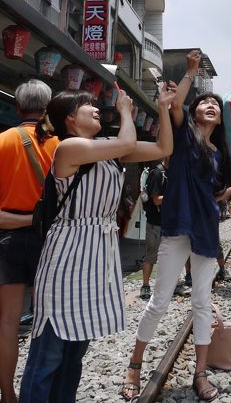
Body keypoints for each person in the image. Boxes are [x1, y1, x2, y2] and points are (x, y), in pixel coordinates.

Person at [19, 82, 176, 403]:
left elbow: (163, 149)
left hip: (97, 257)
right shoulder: (69, 148)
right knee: (48, 354)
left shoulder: (110, 147)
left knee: (75, 353)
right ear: (70, 120)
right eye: (86, 105)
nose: (95, 108)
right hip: (66, 256)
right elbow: (129, 141)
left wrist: (162, 107)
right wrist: (124, 111)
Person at [122, 50, 231, 402]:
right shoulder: (183, 137)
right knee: (160, 300)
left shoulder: (219, 153)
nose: (211, 105)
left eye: (216, 103)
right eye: (205, 102)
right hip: (178, 226)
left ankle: (200, 373)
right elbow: (174, 105)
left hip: (206, 231)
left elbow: (215, 196)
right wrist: (190, 71)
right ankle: (135, 364)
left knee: (201, 301)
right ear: (195, 110)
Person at [0, 80, 57, 403]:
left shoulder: (2, 142)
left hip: (7, 239)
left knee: (7, 321)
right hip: (48, 240)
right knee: (45, 318)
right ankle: (39, 391)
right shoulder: (60, 145)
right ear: (48, 109)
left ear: (19, 107)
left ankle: (8, 395)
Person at [140, 158, 168, 300]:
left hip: (169, 222)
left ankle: (169, 285)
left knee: (169, 256)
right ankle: (145, 285)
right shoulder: (158, 173)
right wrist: (175, 195)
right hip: (155, 223)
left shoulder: (172, 172)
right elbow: (156, 200)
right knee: (151, 256)